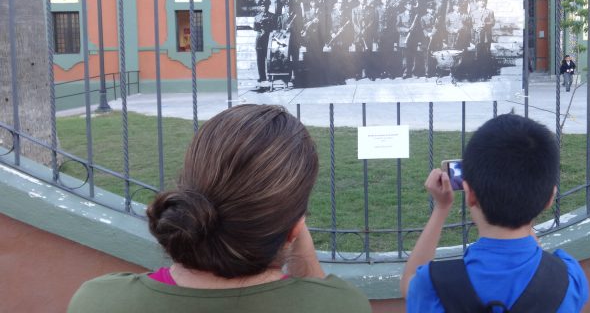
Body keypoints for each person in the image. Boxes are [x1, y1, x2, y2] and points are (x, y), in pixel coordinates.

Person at [68, 105, 371, 313]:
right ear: (293, 227)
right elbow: (317, 295)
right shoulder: (342, 306)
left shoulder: (98, 302)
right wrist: (293, 224)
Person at [401, 114, 589, 312]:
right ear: (549, 199)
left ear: (470, 195)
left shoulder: (432, 286)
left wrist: (441, 209)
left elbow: (408, 287)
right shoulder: (569, 277)